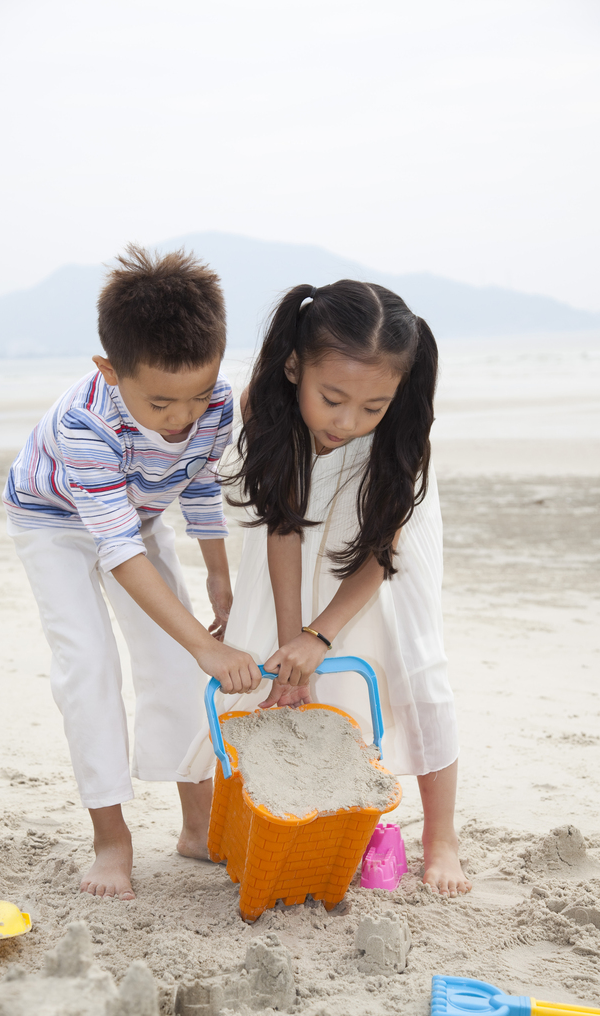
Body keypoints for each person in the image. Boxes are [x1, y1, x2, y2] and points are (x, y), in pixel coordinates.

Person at [178, 279, 471, 898]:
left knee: (412, 664)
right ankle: (294, 807)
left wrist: (322, 632)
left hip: (379, 560)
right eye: (332, 399)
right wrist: (295, 642)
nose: (347, 422)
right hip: (292, 548)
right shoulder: (265, 406)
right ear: (293, 368)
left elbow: (381, 553)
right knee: (281, 672)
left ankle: (441, 835)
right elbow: (280, 525)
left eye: (372, 407)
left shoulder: (400, 435)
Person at [3, 245, 262, 900]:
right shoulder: (84, 424)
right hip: (52, 520)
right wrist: (206, 645)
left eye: (199, 395)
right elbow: (117, 552)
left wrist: (218, 579)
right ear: (109, 371)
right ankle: (111, 840)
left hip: (137, 516)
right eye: (161, 403)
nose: (182, 418)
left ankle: (196, 828)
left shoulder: (216, 406)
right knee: (88, 665)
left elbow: (199, 482)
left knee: (173, 663)